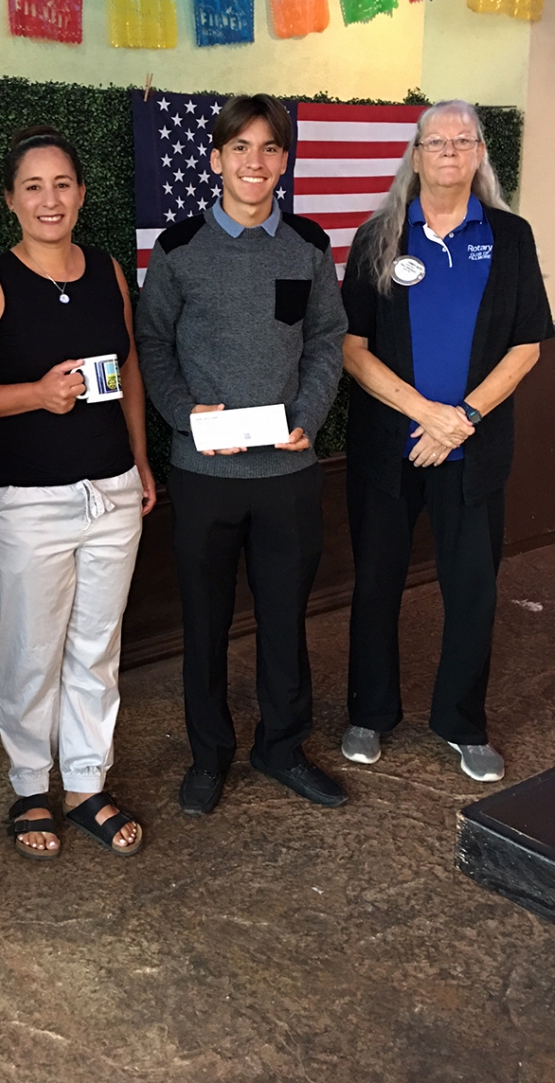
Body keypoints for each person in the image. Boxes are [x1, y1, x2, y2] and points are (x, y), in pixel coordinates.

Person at [136, 94, 348, 817]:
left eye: (268, 149)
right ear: (216, 159)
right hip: (205, 478)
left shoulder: (308, 247)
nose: (254, 163)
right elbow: (153, 345)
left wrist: (309, 414)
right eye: (240, 148)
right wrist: (181, 414)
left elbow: (325, 339)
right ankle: (209, 755)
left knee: (287, 620)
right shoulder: (179, 248)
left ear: (283, 162)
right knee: (205, 624)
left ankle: (281, 748)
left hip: (288, 473)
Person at [0, 126, 156, 859]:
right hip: (25, 504)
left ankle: (84, 783)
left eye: (62, 184)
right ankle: (30, 786)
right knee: (32, 650)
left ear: (81, 193)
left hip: (111, 492)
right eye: (33, 186)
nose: (49, 199)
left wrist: (138, 461)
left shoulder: (106, 271)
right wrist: (35, 395)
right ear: (10, 199)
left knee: (97, 646)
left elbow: (129, 371)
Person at [340, 100, 553, 782]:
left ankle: (462, 722)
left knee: (473, 591)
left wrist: (460, 417)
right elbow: (352, 348)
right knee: (376, 584)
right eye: (438, 142)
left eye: (465, 141)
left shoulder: (511, 237)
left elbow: (527, 345)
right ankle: (369, 714)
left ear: (481, 153)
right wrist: (423, 415)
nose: (451, 152)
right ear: (417, 153)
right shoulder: (378, 236)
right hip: (387, 449)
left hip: (472, 449)